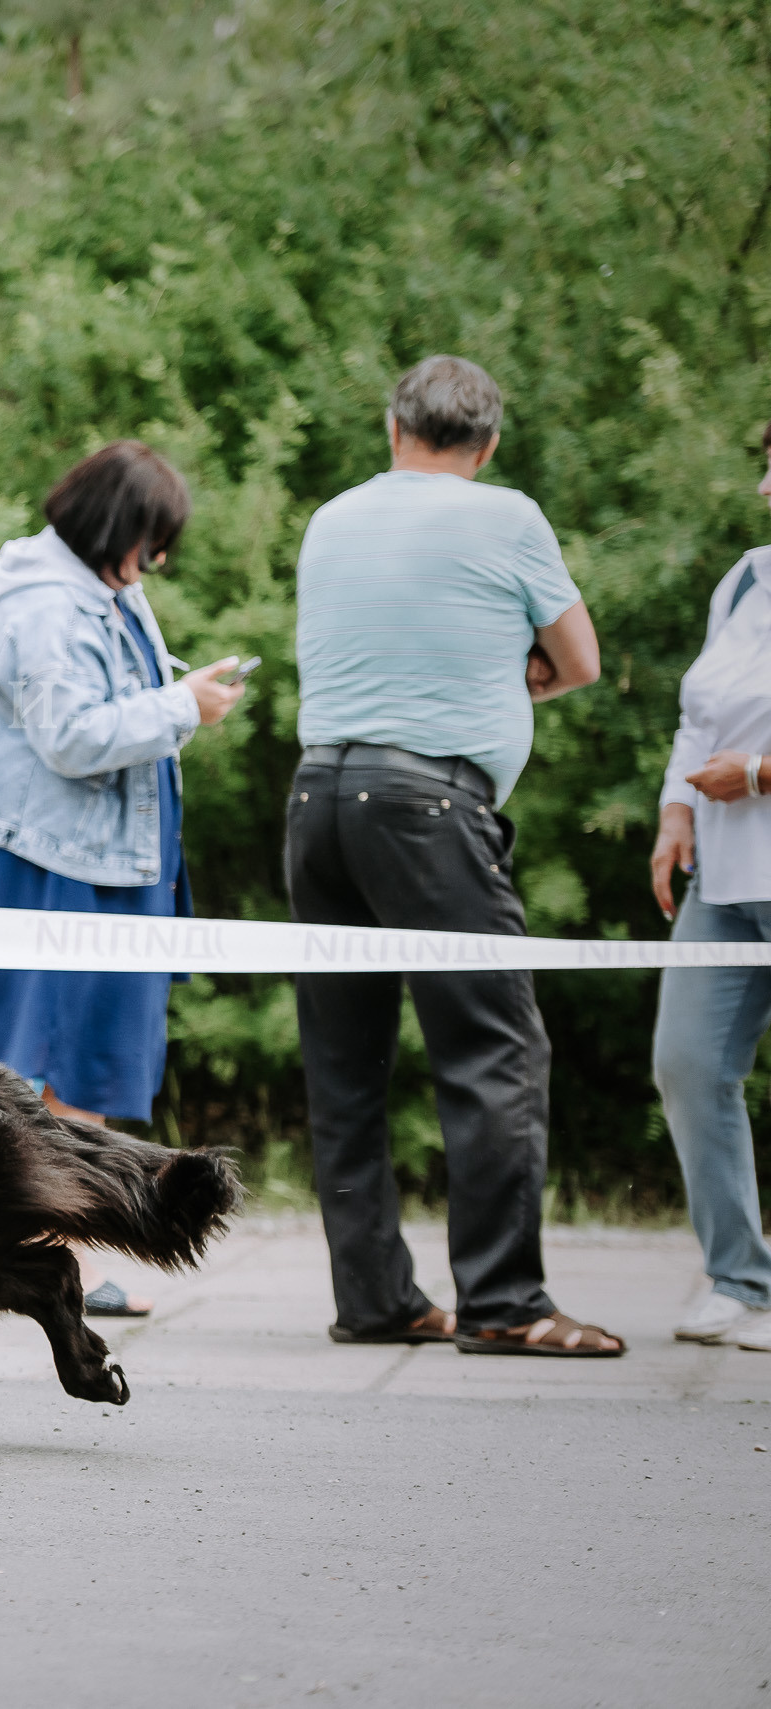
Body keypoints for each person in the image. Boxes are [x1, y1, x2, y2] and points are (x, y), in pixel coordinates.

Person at [289, 353, 621, 1357]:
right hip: (429, 804)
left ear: (395, 431)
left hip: (315, 796)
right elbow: (580, 660)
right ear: (486, 446)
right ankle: (504, 1301)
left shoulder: (331, 517)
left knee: (342, 1061)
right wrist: (501, 671)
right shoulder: (508, 516)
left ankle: (374, 1295)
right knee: (492, 1050)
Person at [0, 440, 248, 1318]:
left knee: (84, 1060)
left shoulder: (104, 590)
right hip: (58, 858)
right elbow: (72, 739)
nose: (155, 559)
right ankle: (48, 1245)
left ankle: (52, 1241)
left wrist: (179, 702)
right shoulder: (47, 608)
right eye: (149, 539)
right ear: (113, 527)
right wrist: (181, 707)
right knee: (48, 1060)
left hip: (101, 853)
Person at [649, 423, 771, 1352]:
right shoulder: (744, 580)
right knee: (688, 1061)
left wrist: (763, 773)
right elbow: (700, 715)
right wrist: (673, 812)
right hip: (724, 875)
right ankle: (740, 1278)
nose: (765, 489)